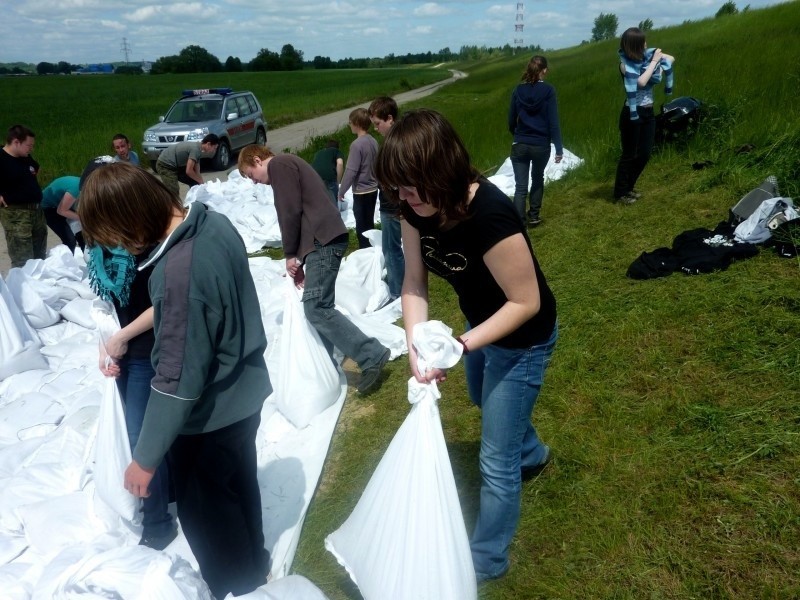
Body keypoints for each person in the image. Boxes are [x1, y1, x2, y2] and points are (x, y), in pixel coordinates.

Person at [375, 109, 558, 583]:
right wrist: (417, 347)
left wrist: (459, 344)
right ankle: (534, 452)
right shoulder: (413, 209)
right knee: (481, 398)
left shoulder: (490, 214)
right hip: (480, 326)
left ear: (439, 172)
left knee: (495, 462)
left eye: (409, 187)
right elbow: (414, 282)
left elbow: (526, 301)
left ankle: (485, 561)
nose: (401, 199)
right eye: (396, 190)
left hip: (522, 340)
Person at [79, 162, 272, 599]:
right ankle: (255, 564)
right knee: (240, 486)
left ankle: (238, 585)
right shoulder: (213, 223)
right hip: (245, 394)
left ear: (131, 217)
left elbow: (177, 377)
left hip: (209, 416)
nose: (124, 248)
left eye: (118, 236)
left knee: (208, 515)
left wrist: (145, 459)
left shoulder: (177, 272)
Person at [237, 144, 390, 394]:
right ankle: (327, 368)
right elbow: (303, 209)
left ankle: (371, 354)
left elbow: (290, 211)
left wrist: (290, 254)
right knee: (317, 305)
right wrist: (302, 257)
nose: (255, 183)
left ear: (257, 160)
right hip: (321, 240)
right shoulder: (288, 164)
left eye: (252, 175)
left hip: (324, 240)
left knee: (316, 307)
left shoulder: (279, 165)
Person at [613, 27, 674, 204]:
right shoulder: (625, 65)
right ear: (634, 45)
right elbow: (641, 82)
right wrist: (655, 63)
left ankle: (629, 187)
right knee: (629, 154)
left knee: (645, 153)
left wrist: (656, 60)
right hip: (632, 113)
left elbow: (670, 58)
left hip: (648, 112)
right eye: (643, 42)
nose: (646, 44)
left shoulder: (645, 61)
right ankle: (620, 193)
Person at [508, 55, 563, 227]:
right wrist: (559, 148)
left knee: (520, 186)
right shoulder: (548, 90)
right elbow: (553, 122)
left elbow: (511, 119)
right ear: (544, 70)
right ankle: (533, 216)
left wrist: (516, 134)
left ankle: (519, 222)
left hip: (520, 144)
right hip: (541, 145)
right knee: (537, 178)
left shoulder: (517, 90)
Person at [368, 96, 405, 301]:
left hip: (392, 206)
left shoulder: (395, 144)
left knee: (392, 250)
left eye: (377, 124)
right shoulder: (396, 140)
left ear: (389, 118)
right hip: (393, 204)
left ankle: (397, 290)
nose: (376, 129)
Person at [0, 125, 46, 269]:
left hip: (36, 211)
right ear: (16, 142)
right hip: (16, 214)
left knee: (40, 258)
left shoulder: (25, 157)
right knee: (23, 261)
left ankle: (38, 288)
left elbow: (35, 169)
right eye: (29, 145)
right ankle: (22, 290)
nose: (31, 148)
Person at [338, 108, 379, 249]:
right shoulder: (373, 141)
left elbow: (351, 171)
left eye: (350, 122)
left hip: (361, 191)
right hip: (373, 189)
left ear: (356, 123)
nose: (349, 125)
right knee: (370, 225)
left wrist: (341, 190)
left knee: (361, 228)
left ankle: (365, 255)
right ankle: (372, 252)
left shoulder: (357, 145)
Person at [155, 134, 219, 197]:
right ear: (208, 144)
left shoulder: (199, 150)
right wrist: (200, 181)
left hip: (176, 165)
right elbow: (189, 171)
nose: (214, 150)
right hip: (165, 165)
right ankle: (170, 206)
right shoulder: (195, 150)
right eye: (214, 148)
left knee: (194, 182)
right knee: (173, 190)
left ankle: (195, 201)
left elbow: (197, 172)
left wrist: (202, 183)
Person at [41, 175, 79, 253]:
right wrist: (83, 218)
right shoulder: (75, 189)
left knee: (82, 236)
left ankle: (88, 262)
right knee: (70, 240)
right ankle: (67, 263)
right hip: (48, 208)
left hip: (64, 204)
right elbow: (61, 210)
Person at [311, 139, 344, 207]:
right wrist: (338, 181)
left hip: (314, 178)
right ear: (337, 147)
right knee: (333, 202)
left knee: (319, 201)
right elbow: (340, 164)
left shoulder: (318, 153)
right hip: (330, 177)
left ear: (326, 147)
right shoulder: (336, 151)